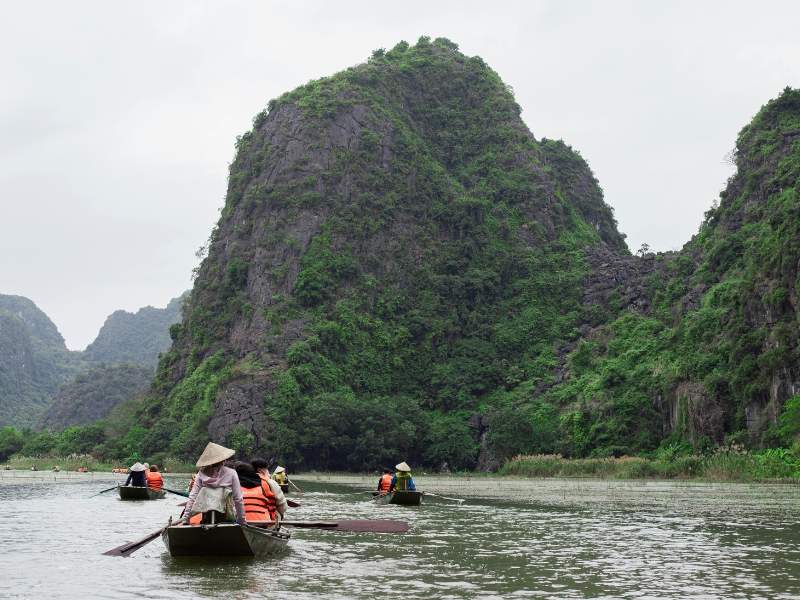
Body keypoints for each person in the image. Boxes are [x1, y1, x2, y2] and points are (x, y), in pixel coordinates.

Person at [182, 442, 247, 527]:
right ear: (223, 460)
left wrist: (186, 520)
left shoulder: (201, 474)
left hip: (206, 519)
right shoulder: (231, 473)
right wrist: (243, 522)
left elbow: (193, 497)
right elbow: (238, 499)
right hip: (228, 519)